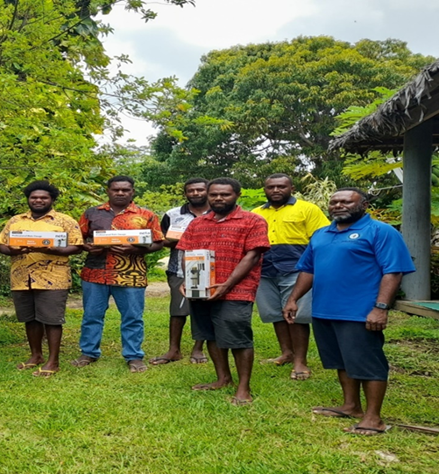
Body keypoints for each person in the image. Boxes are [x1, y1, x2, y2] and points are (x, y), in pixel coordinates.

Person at [284, 188, 414, 436]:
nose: (338, 205)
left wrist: (380, 308)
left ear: (363, 204)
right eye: (334, 202)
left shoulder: (380, 231)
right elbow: (308, 270)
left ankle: (373, 418)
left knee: (368, 363)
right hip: (324, 310)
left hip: (360, 311)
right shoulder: (321, 234)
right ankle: (351, 405)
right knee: (340, 361)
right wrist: (293, 299)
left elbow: (393, 271)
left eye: (346, 201)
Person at [176, 177, 270, 405]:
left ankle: (243, 387)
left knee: (237, 337)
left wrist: (227, 284)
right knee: (210, 334)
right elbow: (186, 252)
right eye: (214, 194)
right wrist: (188, 279)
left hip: (237, 289)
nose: (218, 198)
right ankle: (222, 378)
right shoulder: (198, 223)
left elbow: (253, 255)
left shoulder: (253, 221)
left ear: (237, 195)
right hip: (202, 289)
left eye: (225, 194)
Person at [71, 176, 164, 373]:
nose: (120, 193)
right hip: (96, 272)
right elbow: (79, 239)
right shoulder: (92, 213)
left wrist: (137, 249)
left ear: (133, 192)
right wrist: (88, 247)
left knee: (132, 316)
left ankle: (133, 356)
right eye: (116, 190)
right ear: (108, 191)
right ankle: (88, 352)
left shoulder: (146, 215)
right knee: (92, 315)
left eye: (125, 190)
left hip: (130, 273)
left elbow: (158, 242)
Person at [0, 180, 83, 378]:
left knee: (52, 320)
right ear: (28, 199)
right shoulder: (15, 221)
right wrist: (12, 249)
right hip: (21, 277)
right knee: (30, 318)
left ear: (52, 199)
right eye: (34, 197)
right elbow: (2, 245)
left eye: (43, 197)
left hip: (53, 278)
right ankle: (36, 356)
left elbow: (77, 246)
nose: (38, 200)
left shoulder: (65, 221)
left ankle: (53, 361)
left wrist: (54, 249)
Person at [252, 173, 329, 380]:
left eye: (281, 187)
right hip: (265, 269)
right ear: (265, 189)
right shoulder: (256, 213)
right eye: (271, 187)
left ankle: (300, 361)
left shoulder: (307, 209)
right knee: (275, 314)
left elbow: (321, 239)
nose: (276, 190)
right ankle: (286, 353)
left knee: (295, 315)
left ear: (291, 188)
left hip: (296, 269)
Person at [150, 177, 210, 366]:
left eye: (200, 190)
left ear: (207, 191)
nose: (195, 193)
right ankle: (173, 350)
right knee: (178, 310)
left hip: (211, 267)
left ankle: (198, 348)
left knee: (203, 308)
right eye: (191, 190)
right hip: (179, 268)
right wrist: (181, 238)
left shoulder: (218, 211)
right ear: (185, 193)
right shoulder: (173, 214)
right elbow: (162, 240)